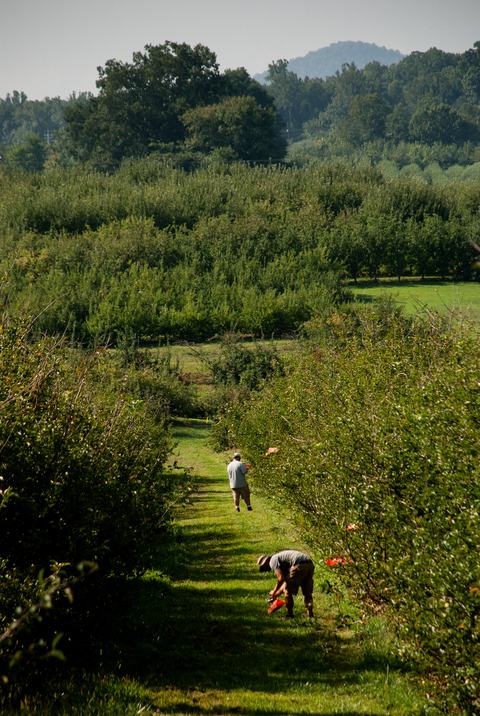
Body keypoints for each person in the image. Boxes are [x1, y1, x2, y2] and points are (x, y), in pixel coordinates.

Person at [257, 550, 314, 618]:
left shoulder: (272, 561)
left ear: (266, 562)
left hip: (298, 565)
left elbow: (281, 579)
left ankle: (289, 614)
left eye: (264, 566)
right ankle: (310, 614)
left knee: (287, 591)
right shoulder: (282, 561)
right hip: (310, 564)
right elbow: (286, 581)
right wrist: (276, 594)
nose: (266, 569)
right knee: (307, 593)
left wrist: (274, 591)